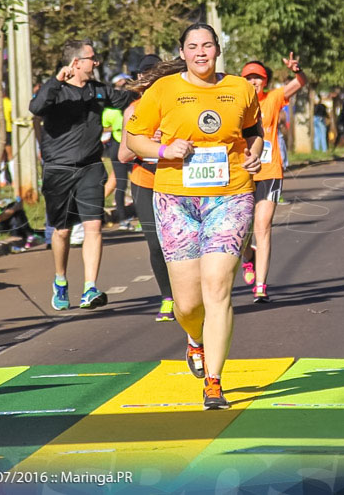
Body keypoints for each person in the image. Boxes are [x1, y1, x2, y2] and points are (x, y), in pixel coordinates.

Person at [125, 23, 263, 410]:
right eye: (192, 46)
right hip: (175, 200)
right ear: (183, 53)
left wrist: (254, 151)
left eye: (207, 45)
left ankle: (215, 383)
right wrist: (165, 149)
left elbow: (254, 131)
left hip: (230, 195)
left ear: (218, 50)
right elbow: (134, 139)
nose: (201, 52)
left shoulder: (240, 88)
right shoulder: (163, 91)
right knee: (187, 305)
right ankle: (195, 340)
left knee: (217, 285)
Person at [29, 39, 135, 311]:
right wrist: (55, 81)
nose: (96, 62)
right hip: (59, 170)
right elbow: (36, 108)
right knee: (62, 231)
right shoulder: (55, 91)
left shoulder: (98, 91)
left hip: (90, 168)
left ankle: (90, 287)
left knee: (93, 227)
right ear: (76, 63)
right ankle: (61, 280)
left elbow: (130, 98)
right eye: (92, 58)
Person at [238, 54, 307, 303]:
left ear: (264, 81)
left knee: (262, 226)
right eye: (248, 77)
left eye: (258, 77)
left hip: (269, 172)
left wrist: (298, 70)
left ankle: (260, 286)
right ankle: (248, 257)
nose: (253, 81)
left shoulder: (274, 99)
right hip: (241, 174)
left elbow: (300, 82)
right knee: (241, 229)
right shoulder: (235, 102)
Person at [119, 55, 179, 321]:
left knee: (180, 243)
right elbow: (123, 155)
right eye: (144, 76)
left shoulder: (177, 106)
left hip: (177, 180)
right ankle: (167, 297)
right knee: (156, 244)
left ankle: (189, 296)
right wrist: (146, 144)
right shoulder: (133, 111)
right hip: (145, 181)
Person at [103, 73, 133, 228]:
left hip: (116, 148)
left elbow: (103, 125)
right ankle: (143, 216)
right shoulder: (134, 107)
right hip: (132, 149)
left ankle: (122, 220)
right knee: (137, 185)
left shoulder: (110, 111)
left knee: (120, 185)